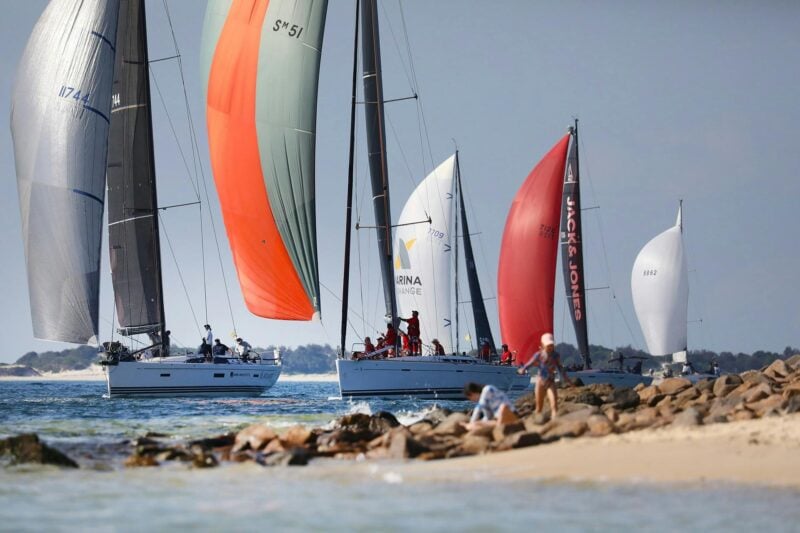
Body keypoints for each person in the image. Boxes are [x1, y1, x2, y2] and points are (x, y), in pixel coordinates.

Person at [518, 333, 572, 418]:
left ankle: (555, 422)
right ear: (543, 345)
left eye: (551, 345)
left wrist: (567, 379)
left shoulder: (555, 355)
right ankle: (537, 423)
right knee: (539, 407)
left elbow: (560, 368)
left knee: (554, 405)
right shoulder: (539, 355)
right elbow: (530, 363)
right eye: (548, 345)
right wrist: (523, 369)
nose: (550, 347)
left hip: (550, 382)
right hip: (540, 382)